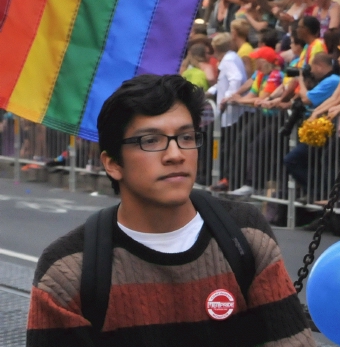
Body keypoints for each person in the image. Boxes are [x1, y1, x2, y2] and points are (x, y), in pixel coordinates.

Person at [26, 74, 312, 345]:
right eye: (150, 141)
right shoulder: (68, 270)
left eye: (186, 137)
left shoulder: (244, 234)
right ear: (112, 163)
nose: (176, 155)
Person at [282, 51, 340, 193]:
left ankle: (316, 191)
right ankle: (315, 191)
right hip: (319, 129)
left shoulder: (332, 80)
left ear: (320, 66)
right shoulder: (328, 80)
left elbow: (307, 99)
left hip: (324, 129)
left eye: (313, 67)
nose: (311, 71)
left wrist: (300, 80)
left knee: (292, 159)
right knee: (310, 162)